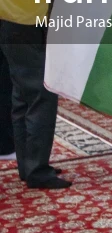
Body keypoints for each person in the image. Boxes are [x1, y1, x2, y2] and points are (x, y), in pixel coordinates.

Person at [0, 21, 71, 188]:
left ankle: (28, 166)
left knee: (22, 94)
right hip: (27, 20)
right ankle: (37, 171)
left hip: (10, 18)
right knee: (42, 94)